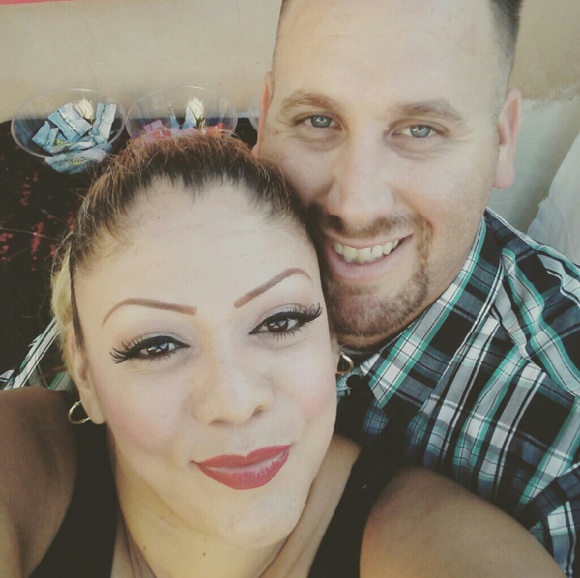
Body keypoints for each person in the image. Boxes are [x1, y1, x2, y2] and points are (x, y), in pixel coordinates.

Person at [0, 134, 565, 578]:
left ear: (334, 339)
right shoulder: (29, 460)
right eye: (158, 345)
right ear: (86, 374)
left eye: (280, 322)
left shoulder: (423, 540)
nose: (235, 401)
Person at [252, 0, 580, 576]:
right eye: (318, 120)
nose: (355, 205)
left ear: (503, 140)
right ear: (264, 116)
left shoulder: (565, 448)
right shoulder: (200, 260)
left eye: (420, 130)